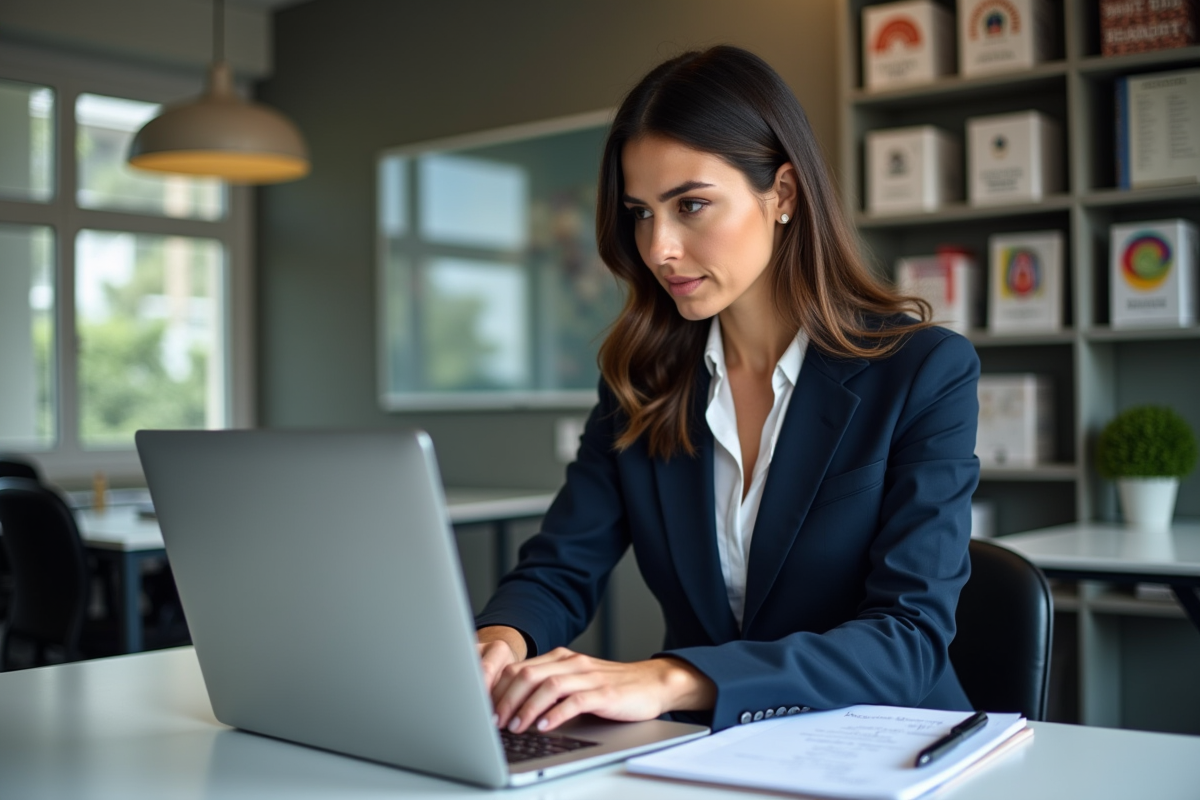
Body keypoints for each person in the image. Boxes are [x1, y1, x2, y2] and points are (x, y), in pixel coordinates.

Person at [474, 45, 980, 735]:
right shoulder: (641, 384)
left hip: (888, 746)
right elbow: (562, 566)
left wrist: (671, 677)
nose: (658, 248)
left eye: (690, 205)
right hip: (710, 752)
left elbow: (908, 638)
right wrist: (499, 641)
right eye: (641, 212)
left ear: (783, 195)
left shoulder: (923, 371)